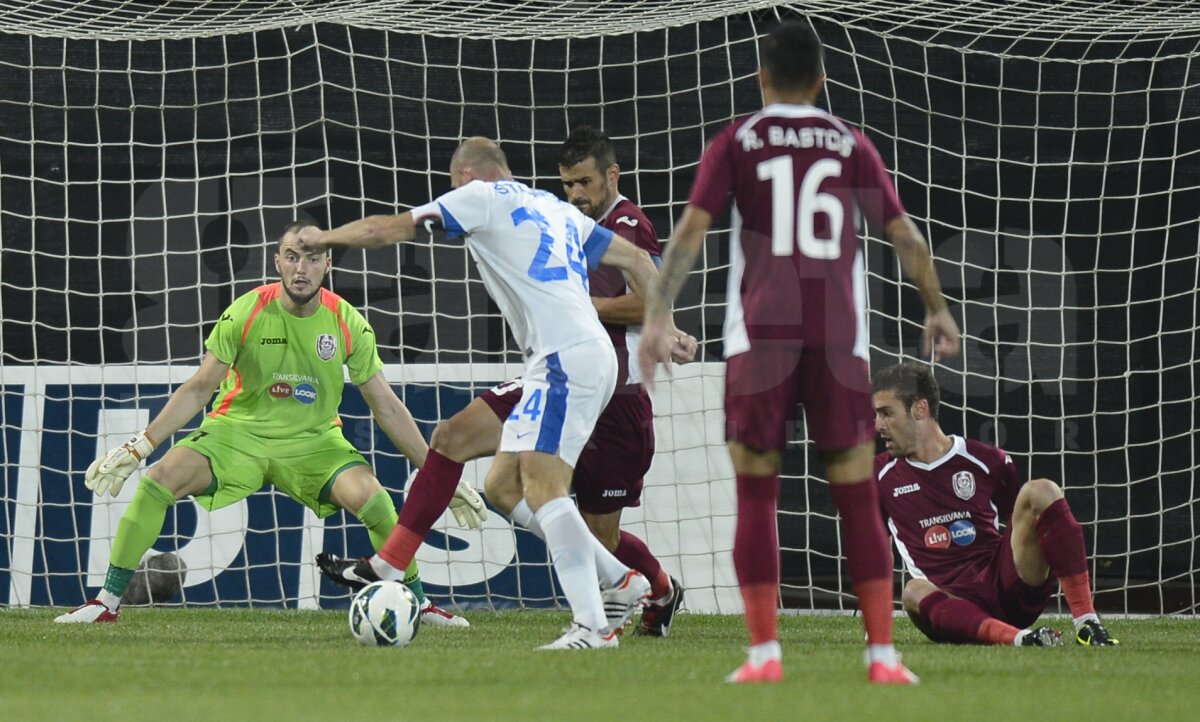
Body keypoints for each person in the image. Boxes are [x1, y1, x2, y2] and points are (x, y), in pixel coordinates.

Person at [638, 20, 962, 684]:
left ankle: (763, 656)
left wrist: (657, 315)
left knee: (756, 494)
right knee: (854, 495)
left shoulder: (740, 139)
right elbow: (903, 234)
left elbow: (690, 233)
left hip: (760, 336)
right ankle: (882, 657)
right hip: (839, 340)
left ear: (761, 78)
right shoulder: (849, 142)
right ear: (820, 80)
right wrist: (936, 305)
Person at [300, 137, 671, 649]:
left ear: (466, 179)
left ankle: (593, 626)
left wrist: (326, 237)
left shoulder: (480, 197)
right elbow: (637, 258)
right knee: (498, 481)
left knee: (544, 487)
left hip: (567, 356)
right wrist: (662, 323)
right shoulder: (551, 206)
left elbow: (386, 229)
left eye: (453, 190)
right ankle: (620, 578)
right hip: (574, 356)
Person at [55, 222, 482, 628]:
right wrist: (141, 445)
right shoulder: (247, 311)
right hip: (237, 434)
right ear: (277, 262)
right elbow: (200, 387)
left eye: (313, 259)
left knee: (373, 499)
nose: (302, 268)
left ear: (328, 265)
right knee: (159, 479)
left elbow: (385, 405)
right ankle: (107, 602)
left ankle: (420, 603)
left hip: (314, 442)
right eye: (293, 257)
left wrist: (435, 471)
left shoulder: (347, 321)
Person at [482, 126, 693, 636]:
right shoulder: (570, 225)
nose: (574, 194)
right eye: (566, 184)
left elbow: (653, 302)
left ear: (611, 176)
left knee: (603, 534)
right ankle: (604, 616)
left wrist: (586, 306)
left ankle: (657, 590)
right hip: (570, 387)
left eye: (583, 182)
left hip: (618, 403)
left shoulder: (629, 225)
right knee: (519, 488)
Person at [872, 361, 1118, 648]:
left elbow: (1024, 527)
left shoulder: (988, 460)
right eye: (877, 415)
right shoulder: (878, 476)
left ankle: (1087, 622)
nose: (878, 425)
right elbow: (876, 554)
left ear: (920, 409)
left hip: (1006, 589)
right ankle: (1019, 639)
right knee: (913, 590)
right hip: (949, 603)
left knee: (1041, 490)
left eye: (887, 413)